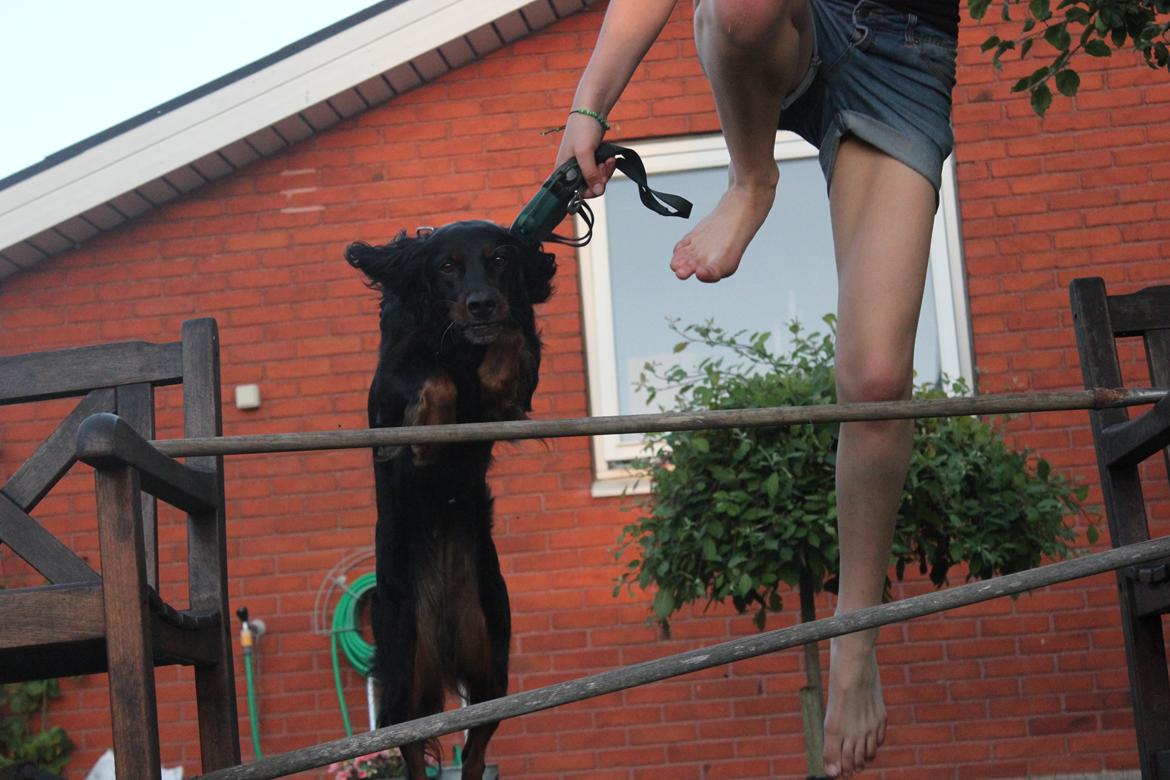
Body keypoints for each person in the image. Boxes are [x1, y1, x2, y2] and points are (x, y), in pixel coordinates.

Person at [552, 0, 959, 776]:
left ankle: (855, 639)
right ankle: (751, 178)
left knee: (876, 381)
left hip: (904, 49)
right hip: (799, 23)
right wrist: (589, 103)